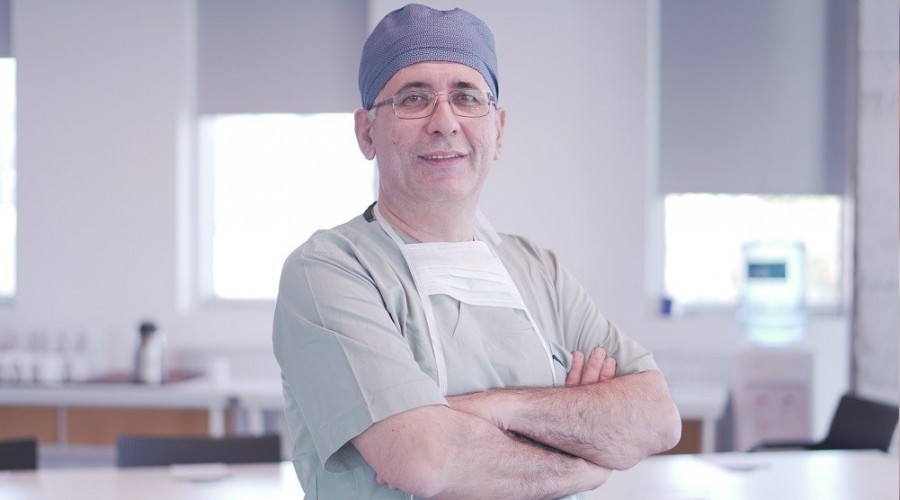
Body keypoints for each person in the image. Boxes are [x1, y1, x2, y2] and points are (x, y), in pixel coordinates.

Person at [273, 4, 682, 498]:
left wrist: (501, 409)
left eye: (467, 97)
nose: (444, 121)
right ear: (366, 133)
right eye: (413, 98)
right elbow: (425, 460)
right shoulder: (328, 271)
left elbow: (658, 418)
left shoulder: (538, 271)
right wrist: (582, 457)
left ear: (498, 129)